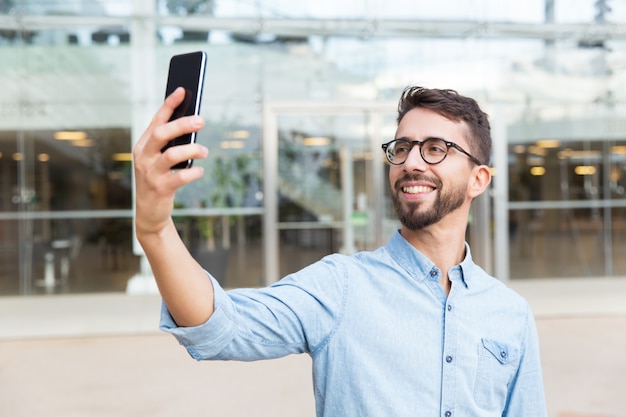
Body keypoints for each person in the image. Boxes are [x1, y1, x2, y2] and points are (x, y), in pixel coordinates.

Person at [133, 85, 547, 417]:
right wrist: (155, 230)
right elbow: (221, 327)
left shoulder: (510, 313)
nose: (411, 162)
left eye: (436, 148)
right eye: (401, 148)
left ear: (479, 179)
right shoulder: (341, 286)